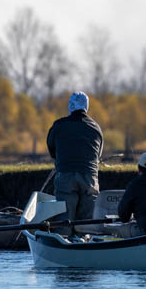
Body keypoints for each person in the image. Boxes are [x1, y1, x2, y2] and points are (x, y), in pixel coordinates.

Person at [46, 91, 103, 223]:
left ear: (71, 106)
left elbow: (51, 149)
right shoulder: (96, 128)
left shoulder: (58, 125)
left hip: (65, 175)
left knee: (64, 220)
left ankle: (64, 240)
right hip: (89, 177)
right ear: (86, 106)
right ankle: (85, 240)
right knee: (87, 223)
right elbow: (97, 155)